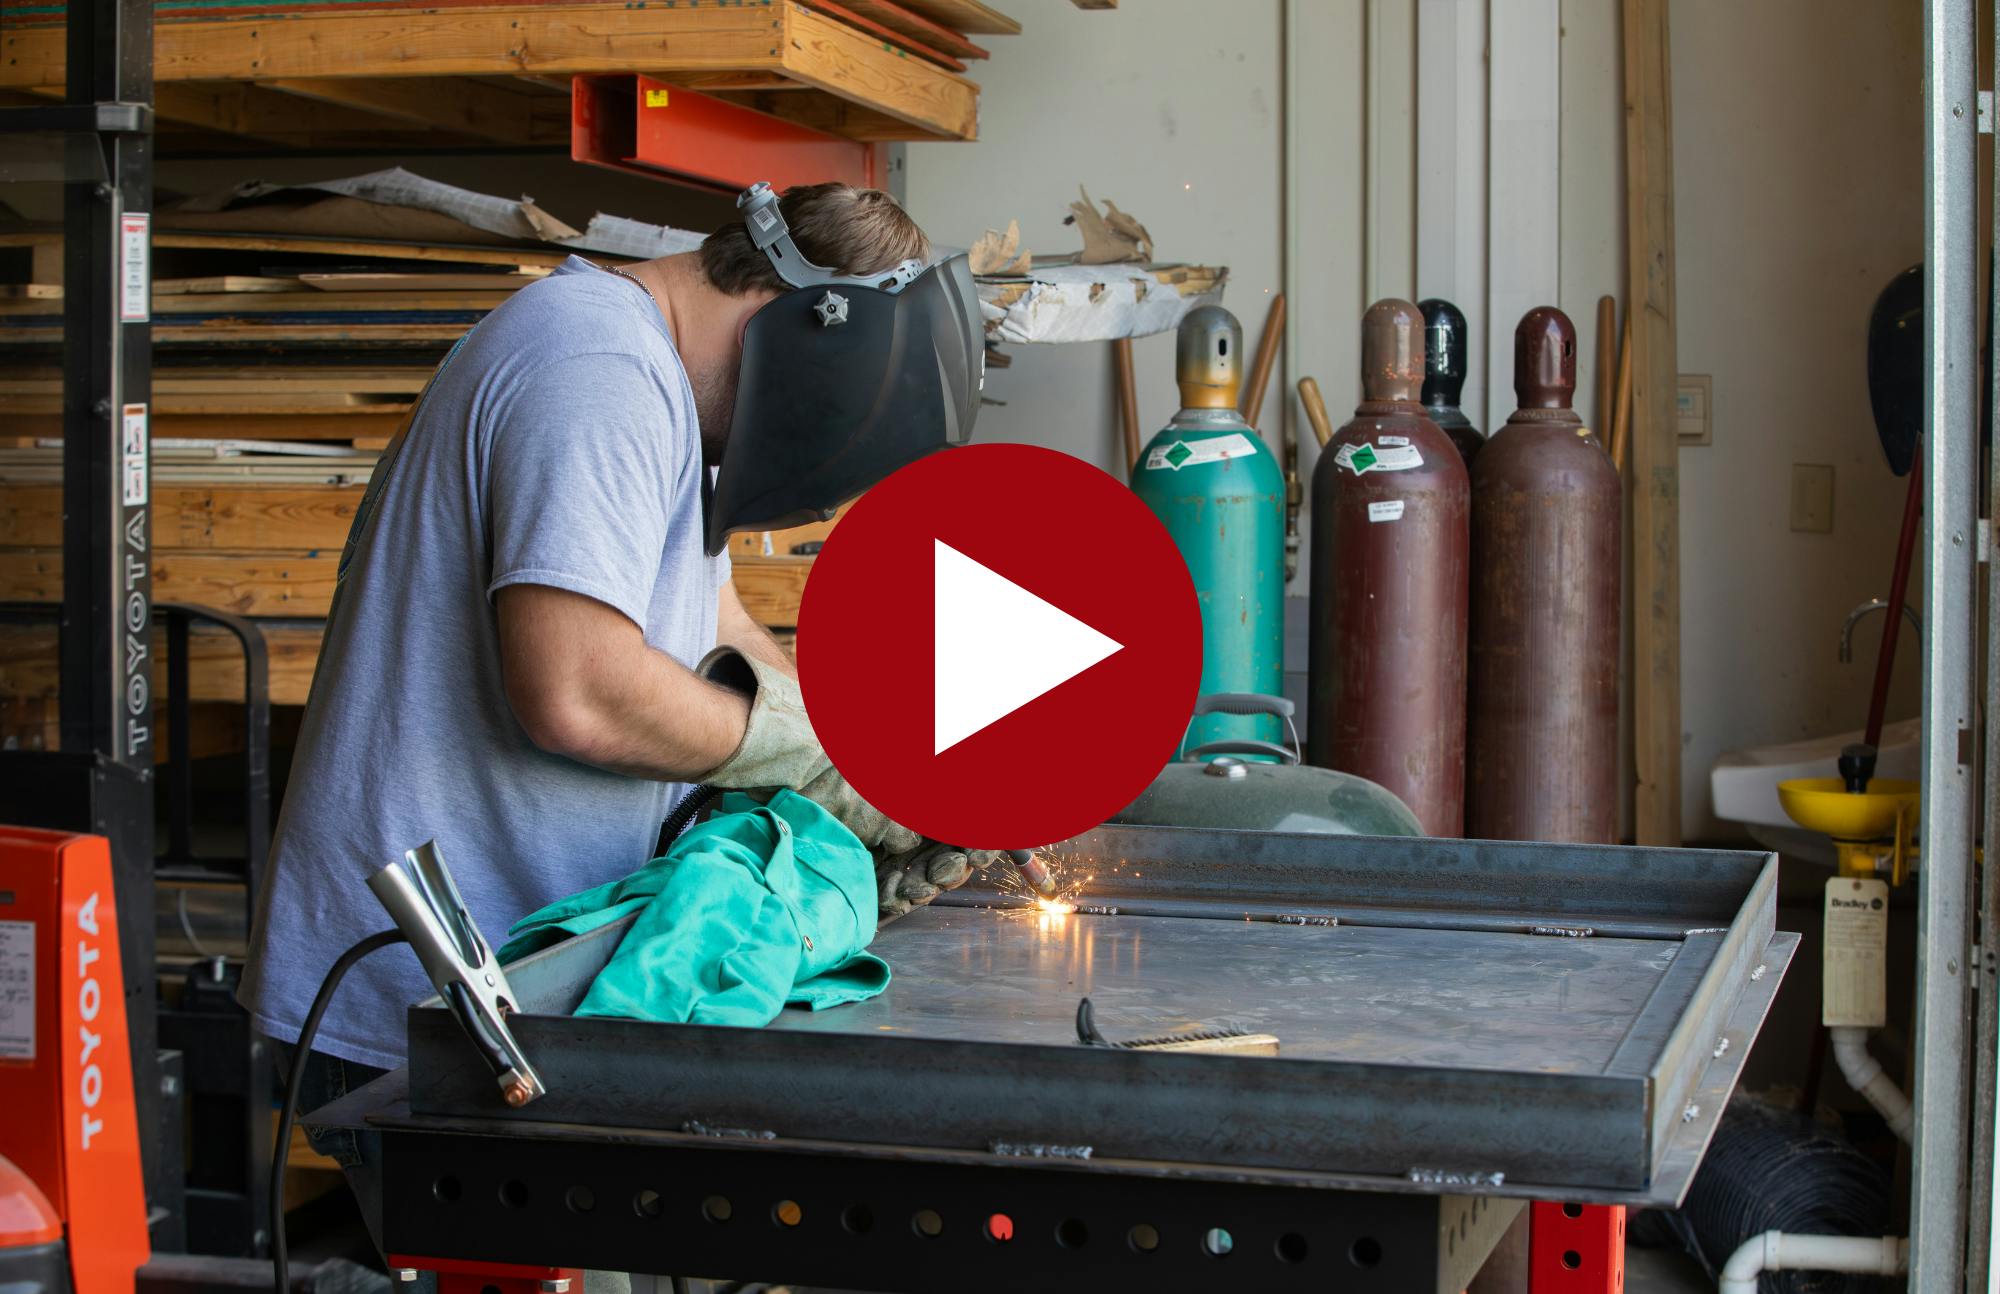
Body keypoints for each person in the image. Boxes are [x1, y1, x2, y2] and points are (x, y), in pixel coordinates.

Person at [239, 181, 991, 1253]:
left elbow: (715, 624)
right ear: (796, 323)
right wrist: (813, 760)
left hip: (526, 986)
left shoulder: (657, 382)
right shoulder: (598, 370)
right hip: (432, 1002)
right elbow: (578, 689)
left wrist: (871, 764)